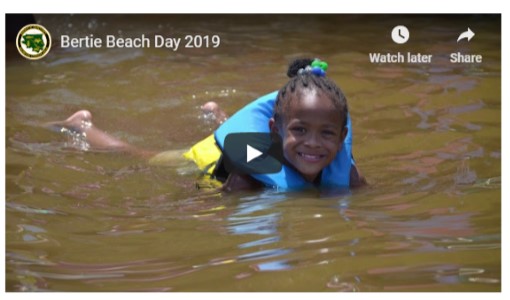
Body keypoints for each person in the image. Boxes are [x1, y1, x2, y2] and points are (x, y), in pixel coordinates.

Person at [45, 58, 366, 191]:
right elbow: (215, 210)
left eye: (326, 133)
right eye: (299, 130)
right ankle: (83, 126)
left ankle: (219, 116)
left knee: (239, 132)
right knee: (140, 154)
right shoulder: (247, 176)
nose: (313, 143)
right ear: (276, 130)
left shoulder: (346, 172)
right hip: (212, 157)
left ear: (342, 136)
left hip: (249, 138)